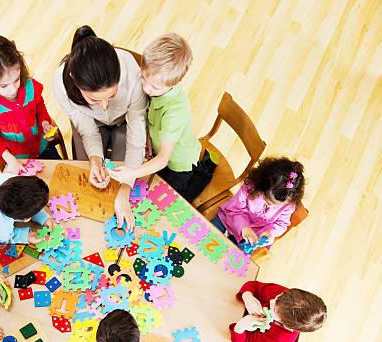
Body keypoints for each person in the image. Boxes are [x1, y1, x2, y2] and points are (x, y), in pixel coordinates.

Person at [53, 25, 147, 230]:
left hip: (126, 122)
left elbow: (137, 137)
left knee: (124, 171)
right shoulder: (61, 85)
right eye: (94, 99)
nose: (105, 106)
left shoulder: (131, 73)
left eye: (111, 96)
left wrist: (124, 191)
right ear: (74, 81)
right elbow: (87, 131)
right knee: (87, 172)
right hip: (91, 124)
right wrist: (96, 158)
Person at [109, 33, 216, 203]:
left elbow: (164, 159)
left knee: (172, 199)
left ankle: (204, 171)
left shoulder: (175, 112)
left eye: (154, 87)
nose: (146, 88)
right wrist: (150, 138)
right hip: (161, 150)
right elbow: (151, 115)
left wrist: (132, 172)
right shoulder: (156, 87)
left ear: (174, 84)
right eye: (143, 78)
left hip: (179, 164)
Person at [0, 33, 61, 174]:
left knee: (61, 173)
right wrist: (10, 160)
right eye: (4, 86)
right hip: (15, 157)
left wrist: (44, 121)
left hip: (40, 146)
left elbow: (39, 106)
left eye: (16, 79)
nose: (13, 89)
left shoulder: (29, 86)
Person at [213, 158, 305, 249]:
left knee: (230, 258)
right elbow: (234, 209)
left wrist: (270, 232)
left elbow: (281, 224)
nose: (270, 205)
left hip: (253, 236)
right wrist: (243, 227)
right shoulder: (251, 187)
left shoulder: (288, 205)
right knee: (204, 236)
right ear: (261, 185)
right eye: (267, 200)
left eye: (275, 204)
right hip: (229, 220)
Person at [230, 281, 327, 342]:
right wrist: (247, 296)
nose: (272, 301)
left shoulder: (280, 340)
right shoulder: (285, 297)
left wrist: (240, 327)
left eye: (273, 310)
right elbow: (253, 285)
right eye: (277, 297)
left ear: (286, 326)